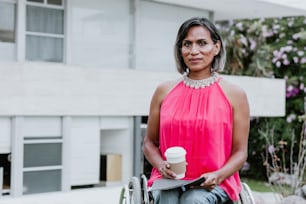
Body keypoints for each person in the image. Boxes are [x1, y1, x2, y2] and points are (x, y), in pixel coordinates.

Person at [143, 17, 250, 204]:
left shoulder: (234, 94)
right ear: (180, 50)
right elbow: (149, 143)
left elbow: (240, 152)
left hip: (216, 181)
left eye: (202, 43)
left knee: (193, 200)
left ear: (216, 48)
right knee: (167, 199)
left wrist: (218, 175)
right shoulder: (163, 91)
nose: (194, 51)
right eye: (187, 44)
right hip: (168, 180)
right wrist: (161, 166)